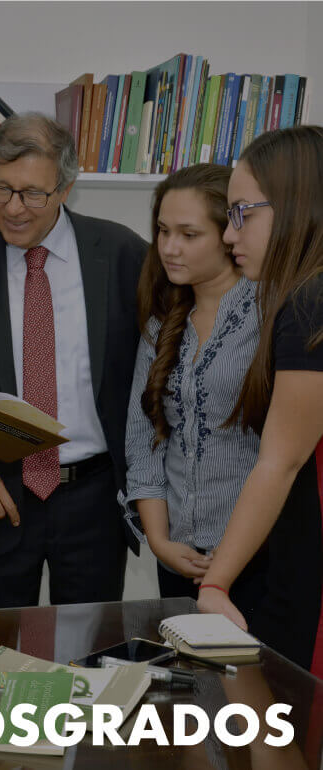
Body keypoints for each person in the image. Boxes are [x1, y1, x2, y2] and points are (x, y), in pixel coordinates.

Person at [0, 112, 148, 608]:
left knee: (91, 660)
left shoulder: (121, 254)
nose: (12, 208)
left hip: (94, 499)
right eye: (1, 188)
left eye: (32, 193)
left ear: (66, 188)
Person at [197, 125, 323, 677]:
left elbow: (281, 460)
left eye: (242, 212)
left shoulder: (309, 304)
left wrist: (216, 582)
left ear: (296, 206)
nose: (229, 234)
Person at [122, 163, 264, 608]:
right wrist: (161, 542)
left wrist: (233, 552)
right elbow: (143, 442)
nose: (168, 247)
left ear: (229, 234)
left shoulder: (271, 319)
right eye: (163, 231)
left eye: (188, 234)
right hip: (179, 559)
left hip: (259, 557)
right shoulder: (160, 325)